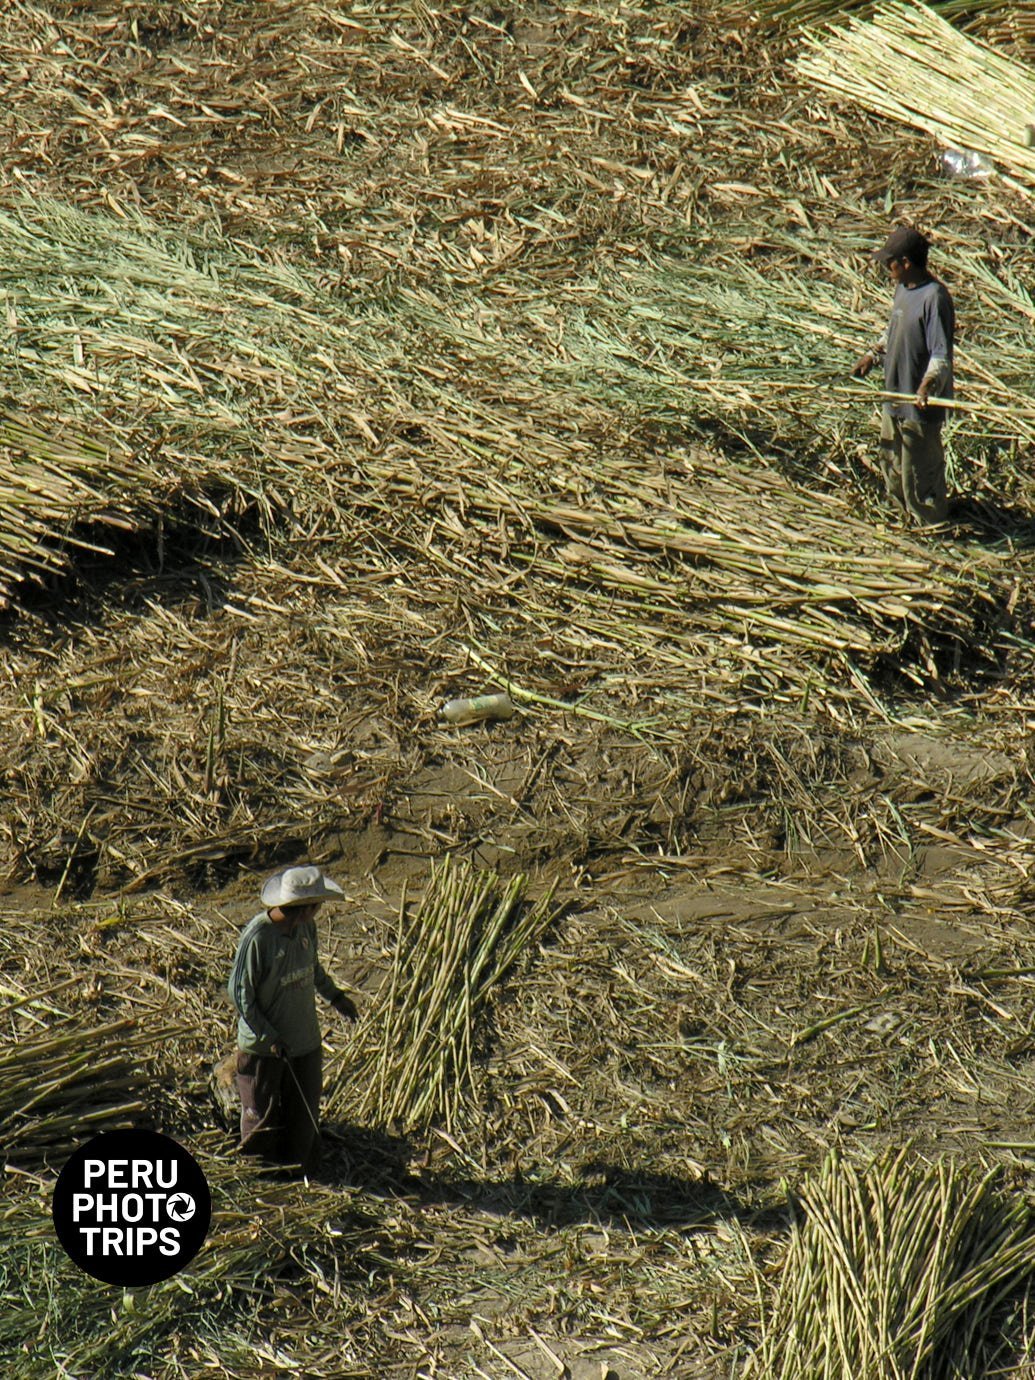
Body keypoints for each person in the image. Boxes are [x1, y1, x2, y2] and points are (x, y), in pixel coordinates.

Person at [228, 865, 358, 1174]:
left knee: (304, 1117)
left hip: (304, 1043)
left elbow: (313, 969)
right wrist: (269, 1037)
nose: (318, 912)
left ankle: (298, 1173)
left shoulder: (305, 930)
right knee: (261, 1116)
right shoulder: (258, 937)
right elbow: (240, 994)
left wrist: (336, 997)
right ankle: (261, 1179)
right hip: (264, 1049)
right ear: (304, 909)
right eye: (317, 906)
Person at [852, 225, 955, 525]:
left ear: (906, 263)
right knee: (892, 460)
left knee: (920, 468)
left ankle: (930, 524)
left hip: (919, 402)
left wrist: (927, 384)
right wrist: (872, 355)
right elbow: (892, 333)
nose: (887, 268)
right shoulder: (903, 290)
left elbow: (941, 353)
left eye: (890, 262)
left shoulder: (934, 298)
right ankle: (900, 517)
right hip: (894, 394)